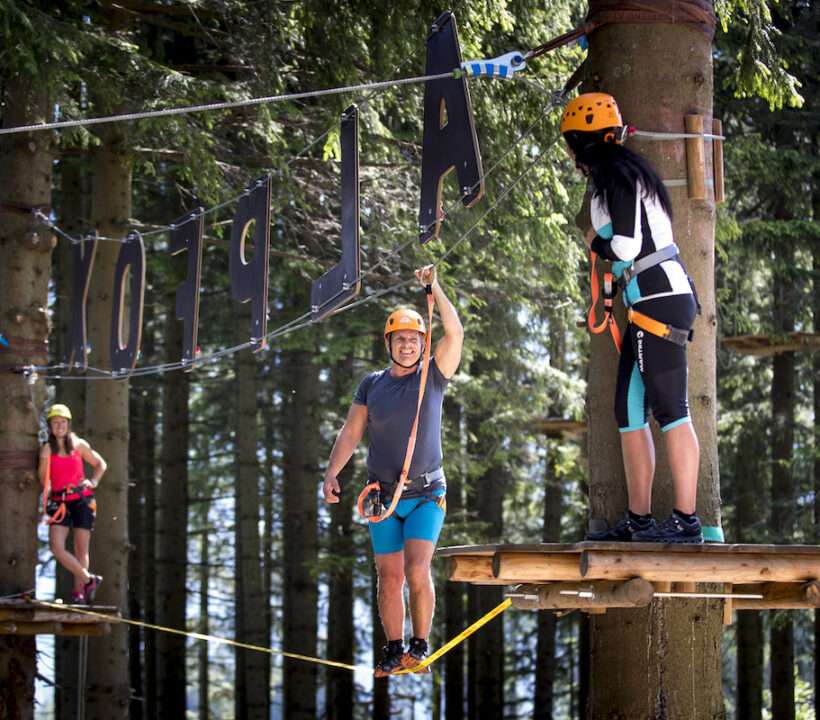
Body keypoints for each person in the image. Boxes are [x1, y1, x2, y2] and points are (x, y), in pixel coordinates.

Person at [560, 92, 703, 544]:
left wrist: (592, 240)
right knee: (628, 411)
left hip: (659, 298)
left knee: (671, 411)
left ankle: (687, 521)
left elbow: (624, 245)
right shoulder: (622, 175)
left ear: (582, 141)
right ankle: (639, 520)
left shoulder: (618, 178)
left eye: (570, 142)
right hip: (650, 300)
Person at [323, 265, 463, 676]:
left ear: (423, 343)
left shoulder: (432, 377)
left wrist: (434, 287)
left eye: (414, 339)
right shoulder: (372, 385)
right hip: (381, 497)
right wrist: (332, 473)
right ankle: (394, 648)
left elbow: (454, 334)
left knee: (418, 568)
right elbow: (351, 432)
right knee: (389, 576)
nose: (407, 345)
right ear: (389, 342)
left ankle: (420, 646)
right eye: (400, 338)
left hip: (425, 495)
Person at [38, 404, 106, 603]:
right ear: (50, 426)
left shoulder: (79, 444)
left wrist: (93, 481)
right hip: (59, 502)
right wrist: (44, 458)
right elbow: (44, 480)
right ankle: (88, 579)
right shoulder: (47, 448)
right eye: (55, 422)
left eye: (63, 422)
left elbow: (100, 464)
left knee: (81, 549)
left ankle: (79, 594)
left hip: (82, 500)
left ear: (68, 424)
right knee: (57, 547)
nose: (59, 426)